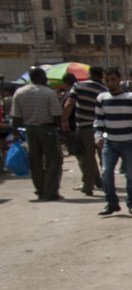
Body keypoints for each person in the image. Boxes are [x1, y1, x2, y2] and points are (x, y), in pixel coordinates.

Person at [94, 68, 132, 215]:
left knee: (130, 174)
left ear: (119, 79)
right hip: (110, 142)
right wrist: (98, 136)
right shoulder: (101, 98)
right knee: (106, 172)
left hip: (129, 142)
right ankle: (111, 203)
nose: (110, 83)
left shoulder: (131, 98)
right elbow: (99, 122)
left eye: (113, 79)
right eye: (107, 80)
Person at [11, 67, 65, 201]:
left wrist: (14, 134)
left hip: (29, 131)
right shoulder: (49, 93)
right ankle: (50, 191)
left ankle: (40, 190)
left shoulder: (20, 92)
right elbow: (57, 115)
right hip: (47, 130)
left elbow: (16, 117)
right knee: (53, 161)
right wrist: (61, 132)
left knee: (35, 162)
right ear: (41, 77)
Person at [65, 65, 106, 195]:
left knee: (87, 159)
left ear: (89, 74)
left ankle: (88, 187)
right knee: (104, 159)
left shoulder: (78, 86)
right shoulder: (104, 90)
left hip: (84, 128)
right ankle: (106, 184)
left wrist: (64, 120)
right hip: (101, 128)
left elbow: (69, 103)